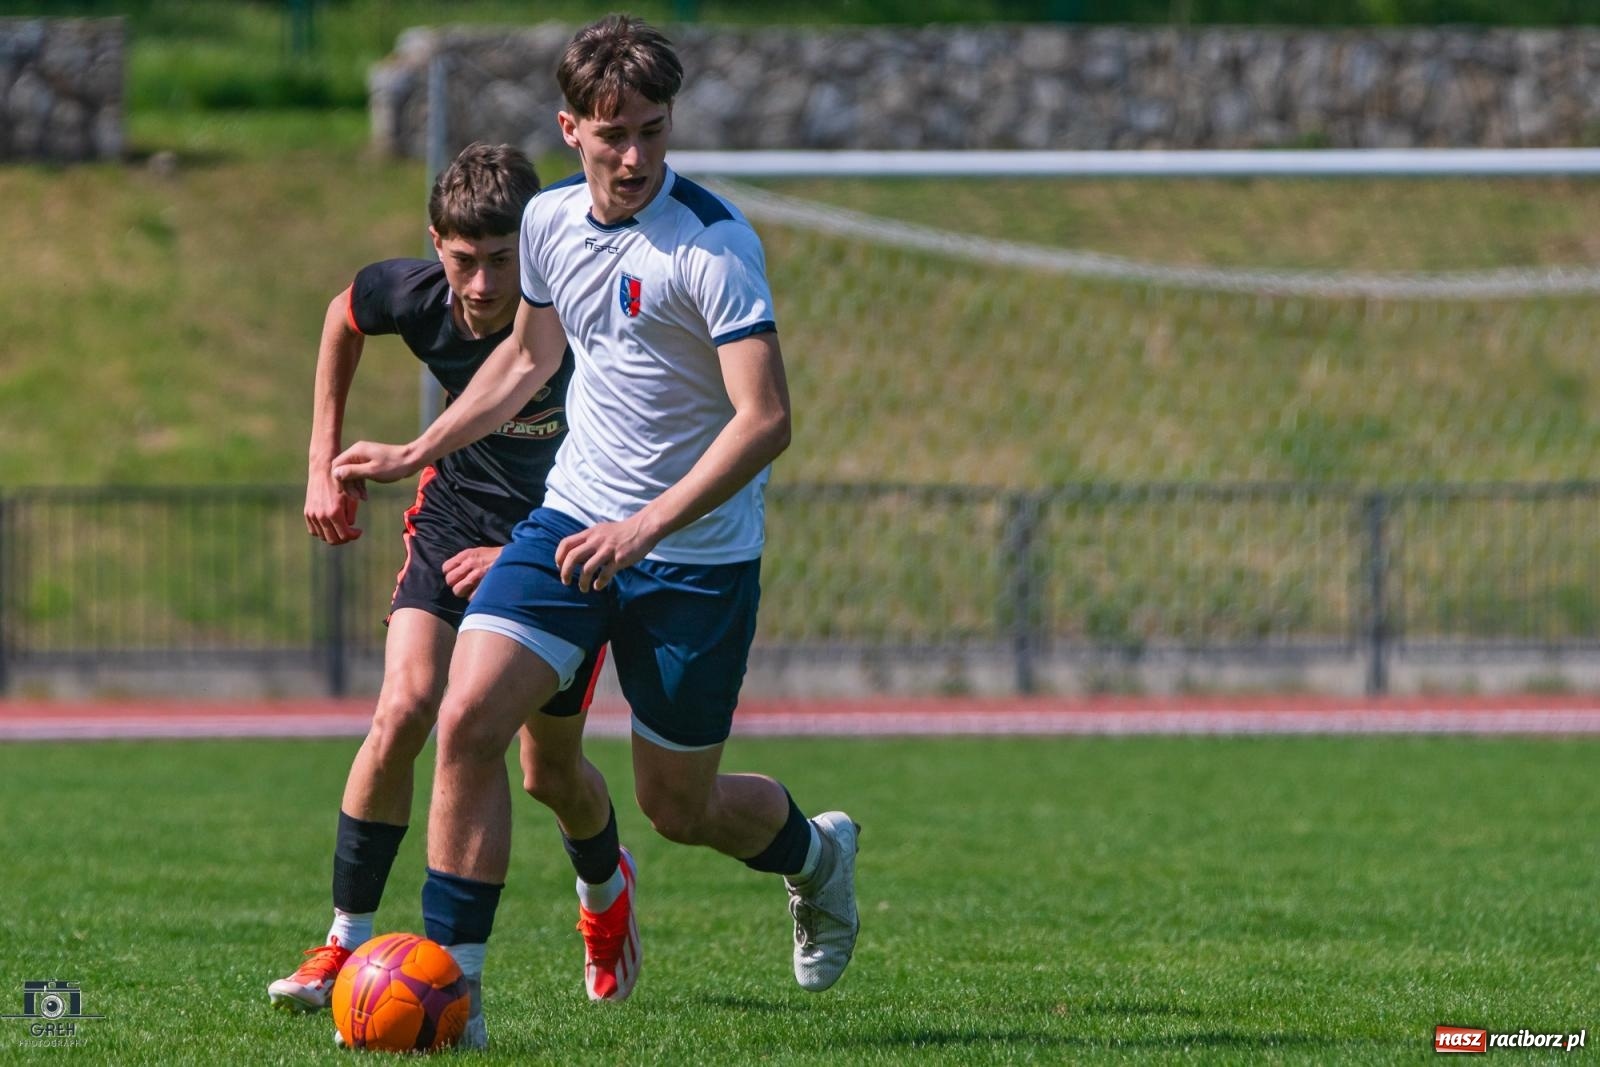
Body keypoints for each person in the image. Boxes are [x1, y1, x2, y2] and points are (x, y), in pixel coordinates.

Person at [331, 14, 860, 1049]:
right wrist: (416, 448)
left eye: (653, 132)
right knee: (468, 718)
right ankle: (455, 997)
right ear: (570, 128)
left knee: (678, 808)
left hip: (692, 556)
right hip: (570, 522)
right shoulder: (547, 224)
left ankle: (816, 855)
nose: (634, 156)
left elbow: (765, 420)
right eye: (613, 134)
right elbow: (528, 360)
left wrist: (644, 527)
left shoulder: (714, 246)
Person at [268, 143, 614, 1016]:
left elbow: (627, 451)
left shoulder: (577, 320)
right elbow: (343, 315)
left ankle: (606, 892)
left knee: (549, 772)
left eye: (503, 259)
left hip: (565, 534)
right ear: (436, 245)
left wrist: (522, 554)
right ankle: (341, 942)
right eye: (465, 259)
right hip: (454, 515)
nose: (484, 283)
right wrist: (320, 461)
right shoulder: (420, 298)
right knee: (404, 707)